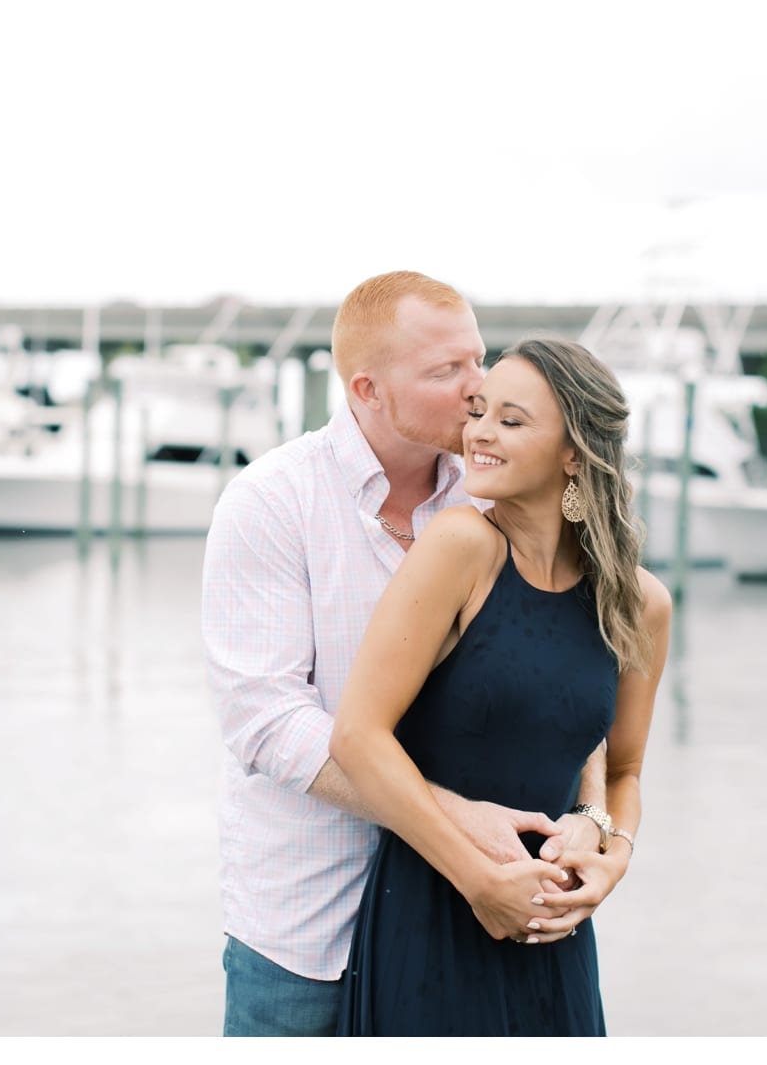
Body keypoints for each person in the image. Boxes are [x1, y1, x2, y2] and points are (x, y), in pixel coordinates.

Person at [201, 273, 628, 1037]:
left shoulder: (499, 493)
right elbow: (263, 721)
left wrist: (594, 818)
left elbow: (572, 681)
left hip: (470, 928)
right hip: (310, 924)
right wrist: (449, 818)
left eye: (480, 359)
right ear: (368, 387)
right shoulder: (270, 502)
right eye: (448, 372)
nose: (479, 390)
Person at [328, 337, 672, 1036]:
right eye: (480, 412)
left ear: (574, 452)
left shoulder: (639, 604)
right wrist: (479, 881)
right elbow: (358, 737)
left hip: (555, 933)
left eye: (511, 421)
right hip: (432, 914)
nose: (479, 432)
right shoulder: (461, 547)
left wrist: (608, 857)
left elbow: (627, 767)